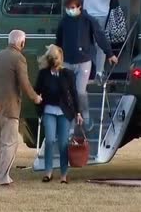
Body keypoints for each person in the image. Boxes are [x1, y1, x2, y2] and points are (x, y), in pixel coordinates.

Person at [0, 29, 42, 186]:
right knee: (10, 142)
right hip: (10, 107)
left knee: (0, 141)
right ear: (21, 43)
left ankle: (1, 172)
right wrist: (35, 98)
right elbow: (25, 83)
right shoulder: (19, 58)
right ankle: (3, 177)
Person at [55, 0, 117, 130]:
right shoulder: (64, 21)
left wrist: (110, 54)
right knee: (68, 93)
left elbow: (100, 36)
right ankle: (71, 124)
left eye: (72, 8)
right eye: (68, 8)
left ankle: (86, 117)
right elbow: (58, 41)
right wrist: (56, 59)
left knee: (80, 91)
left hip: (83, 61)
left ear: (79, 7)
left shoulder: (88, 20)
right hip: (67, 62)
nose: (70, 10)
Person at [35, 44, 83, 184]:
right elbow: (37, 91)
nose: (54, 61)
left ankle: (63, 174)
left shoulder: (67, 74)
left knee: (63, 143)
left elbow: (74, 94)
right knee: (49, 140)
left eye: (56, 58)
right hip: (49, 110)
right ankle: (48, 172)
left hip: (64, 112)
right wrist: (38, 107)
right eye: (51, 58)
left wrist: (78, 112)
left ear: (60, 58)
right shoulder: (43, 74)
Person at [77, 0, 122, 83]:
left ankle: (99, 72)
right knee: (88, 44)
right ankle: (90, 69)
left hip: (103, 13)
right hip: (87, 14)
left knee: (100, 43)